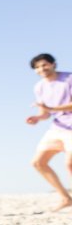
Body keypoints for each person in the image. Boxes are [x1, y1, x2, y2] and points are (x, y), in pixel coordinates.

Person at [26, 53, 72, 211]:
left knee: (70, 164)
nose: (41, 69)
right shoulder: (39, 87)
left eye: (44, 65)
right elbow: (45, 112)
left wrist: (51, 109)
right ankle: (65, 198)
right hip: (58, 127)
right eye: (37, 67)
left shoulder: (69, 78)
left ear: (53, 64)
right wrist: (37, 118)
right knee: (38, 163)